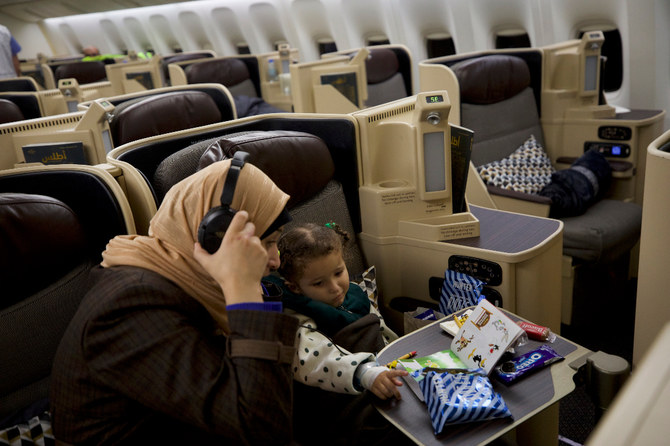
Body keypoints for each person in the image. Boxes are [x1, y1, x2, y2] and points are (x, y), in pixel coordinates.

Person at [50, 159, 299, 445]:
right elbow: (263, 428)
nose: (276, 260)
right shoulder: (133, 306)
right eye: (266, 243)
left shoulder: (182, 276)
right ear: (213, 239)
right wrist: (243, 291)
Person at [264, 222, 412, 446]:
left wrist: (402, 358)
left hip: (386, 375)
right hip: (342, 400)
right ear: (294, 287)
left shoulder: (354, 293)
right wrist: (366, 373)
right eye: (319, 283)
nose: (335, 287)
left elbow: (381, 330)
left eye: (338, 272)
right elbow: (317, 358)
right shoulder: (294, 318)